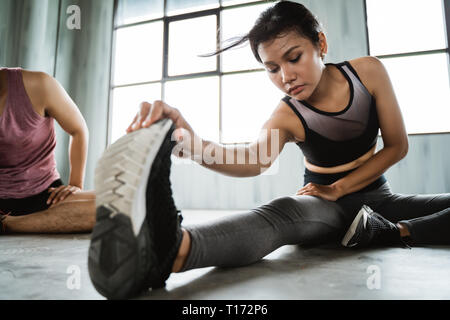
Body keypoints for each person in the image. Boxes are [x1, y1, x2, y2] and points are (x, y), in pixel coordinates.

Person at [87, 1, 450, 299]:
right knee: (280, 215)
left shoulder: (368, 73)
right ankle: (170, 250)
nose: (285, 76)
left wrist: (342, 187)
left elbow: (398, 146)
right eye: (272, 68)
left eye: (294, 58)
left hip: (381, 201)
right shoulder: (287, 114)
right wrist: (191, 144)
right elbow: (253, 160)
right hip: (326, 206)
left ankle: (393, 232)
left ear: (320, 44)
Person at [0, 67, 96, 234]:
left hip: (47, 194)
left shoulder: (40, 84)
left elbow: (78, 129)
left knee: (118, 204)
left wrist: (75, 184)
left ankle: (8, 224)